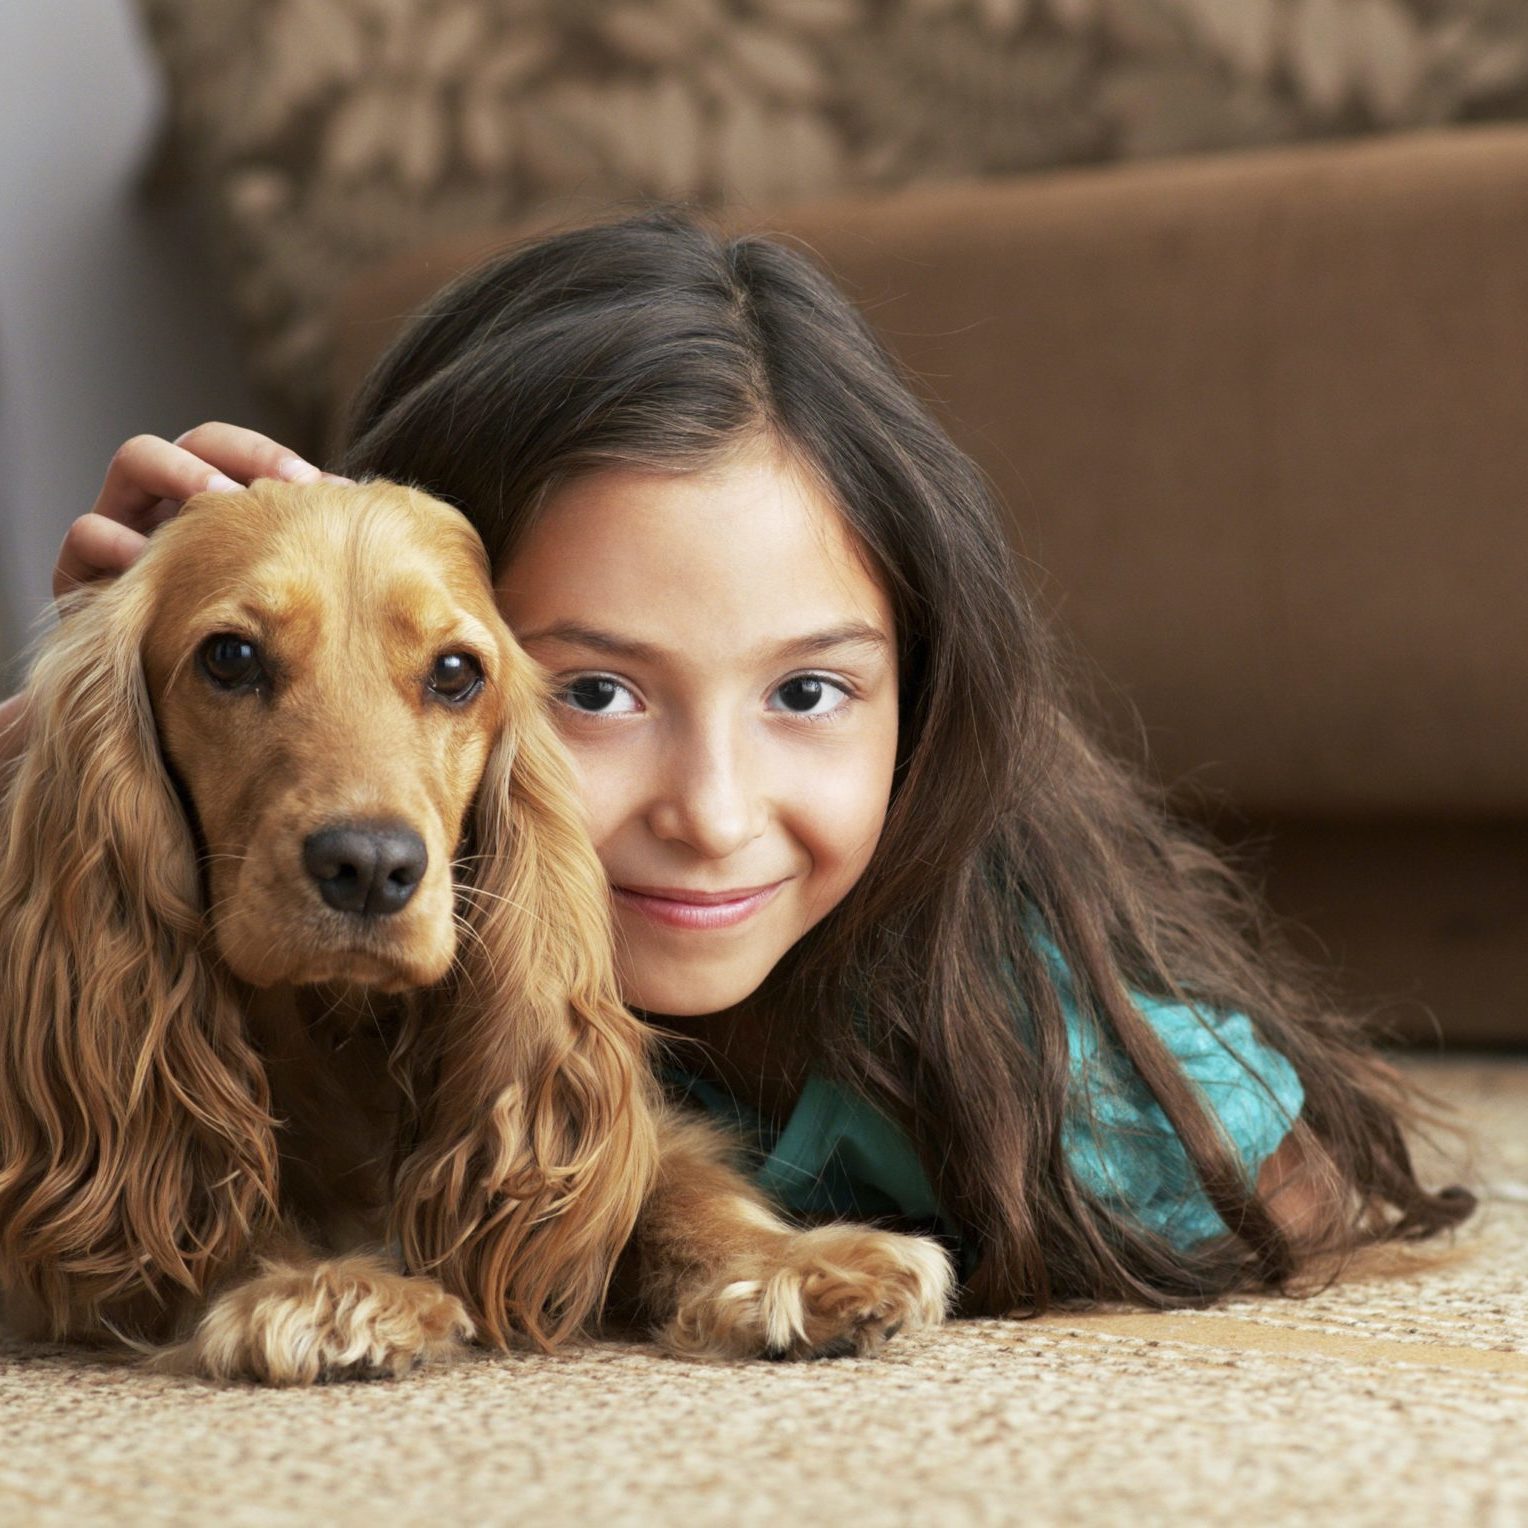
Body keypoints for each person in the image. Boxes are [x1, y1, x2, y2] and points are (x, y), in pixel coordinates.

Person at [0, 205, 1472, 1315]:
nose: (712, 815)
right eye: (593, 690)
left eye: (812, 689)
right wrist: (91, 728)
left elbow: (1288, 1199)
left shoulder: (1032, 1052)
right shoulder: (313, 852)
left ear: (924, 693)